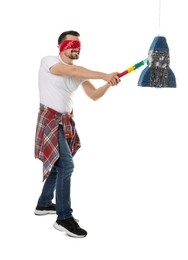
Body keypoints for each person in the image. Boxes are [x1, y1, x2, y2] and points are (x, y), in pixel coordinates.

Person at [34, 30, 120, 238]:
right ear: (61, 46)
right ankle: (63, 217)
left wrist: (108, 83)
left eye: (78, 45)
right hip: (50, 121)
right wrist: (103, 74)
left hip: (65, 122)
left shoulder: (79, 72)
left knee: (58, 164)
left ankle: (44, 204)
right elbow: (71, 72)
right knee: (66, 165)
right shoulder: (49, 61)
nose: (76, 48)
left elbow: (93, 95)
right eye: (71, 44)